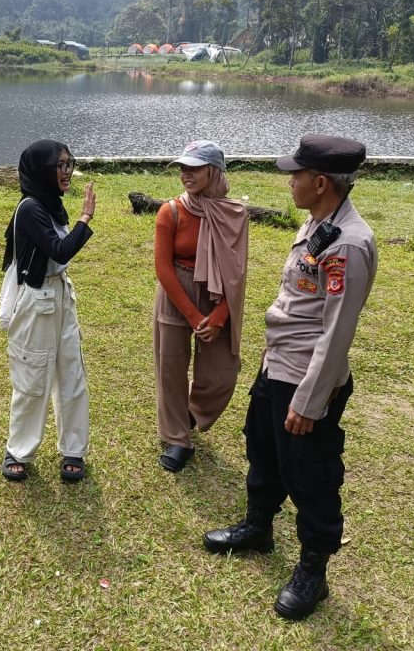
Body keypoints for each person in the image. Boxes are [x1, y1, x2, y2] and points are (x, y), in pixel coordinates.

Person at [202, 134, 377, 621]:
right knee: (263, 447)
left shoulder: (349, 244)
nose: (291, 181)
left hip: (306, 378)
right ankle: (258, 527)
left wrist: (310, 401)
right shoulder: (319, 222)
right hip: (278, 364)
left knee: (310, 472)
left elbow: (337, 331)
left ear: (321, 183)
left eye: (296, 174)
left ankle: (313, 572)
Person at [0, 139, 96, 483]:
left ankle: (74, 448)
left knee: (72, 372)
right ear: (42, 169)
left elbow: (58, 257)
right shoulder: (31, 209)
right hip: (36, 302)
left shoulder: (51, 205)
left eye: (70, 164)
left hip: (60, 295)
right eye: (61, 165)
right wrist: (85, 219)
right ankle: (19, 450)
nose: (67, 171)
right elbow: (60, 249)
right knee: (33, 379)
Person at [153, 140, 248, 472]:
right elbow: (163, 267)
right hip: (177, 293)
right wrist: (192, 315)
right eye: (183, 167)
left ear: (214, 171)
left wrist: (220, 315)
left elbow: (237, 270)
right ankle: (178, 438)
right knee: (171, 368)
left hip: (218, 297)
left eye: (194, 168)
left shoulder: (235, 213)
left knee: (223, 373)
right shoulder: (171, 211)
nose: (186, 174)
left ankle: (188, 415)